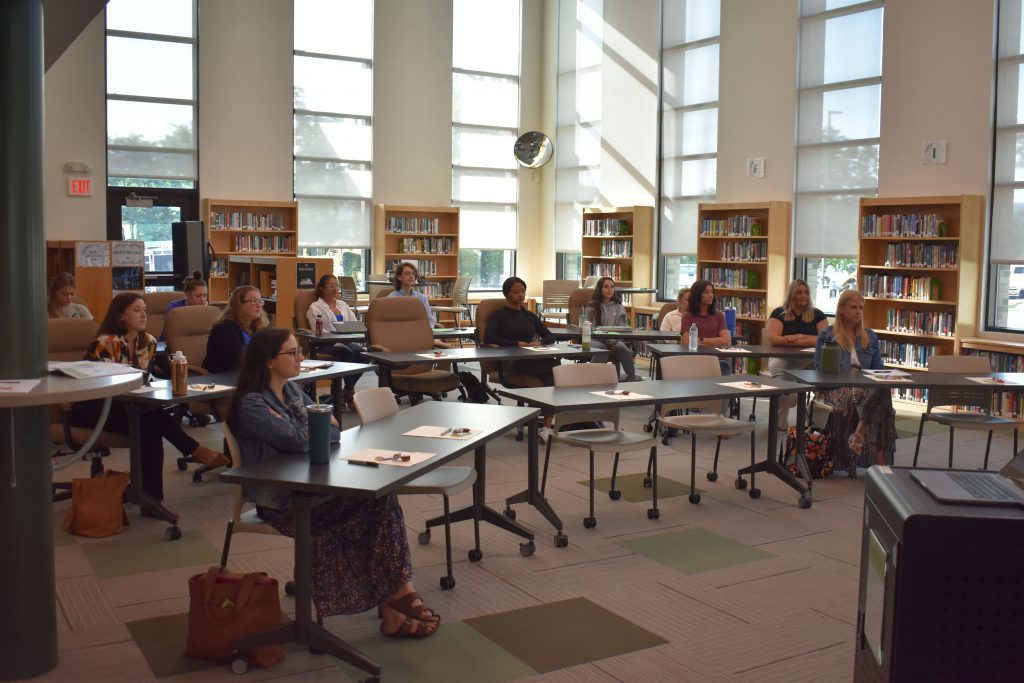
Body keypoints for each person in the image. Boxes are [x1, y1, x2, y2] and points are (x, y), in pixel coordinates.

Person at [230, 328, 439, 637]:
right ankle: (398, 598)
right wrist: (312, 428)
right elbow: (301, 439)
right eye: (292, 353)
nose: (300, 357)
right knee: (373, 507)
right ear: (268, 362)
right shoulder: (252, 404)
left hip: (313, 486)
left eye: (299, 350)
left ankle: (396, 601)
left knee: (381, 498)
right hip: (283, 501)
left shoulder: (291, 391)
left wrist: (312, 429)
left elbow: (333, 429)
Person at [68, 293, 227, 505]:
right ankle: (191, 454)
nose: (143, 314)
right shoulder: (106, 343)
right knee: (151, 417)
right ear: (120, 316)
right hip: (95, 407)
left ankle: (150, 498)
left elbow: (148, 378)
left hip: (129, 406)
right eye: (136, 310)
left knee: (149, 422)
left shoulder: (149, 343)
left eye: (144, 310)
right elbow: (98, 387)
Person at [813, 290, 896, 471]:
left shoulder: (870, 336)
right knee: (881, 403)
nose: (858, 312)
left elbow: (877, 370)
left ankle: (858, 435)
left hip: (865, 388)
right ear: (841, 309)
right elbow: (819, 370)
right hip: (836, 388)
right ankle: (880, 463)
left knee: (881, 392)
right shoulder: (827, 336)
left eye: (860, 308)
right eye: (853, 307)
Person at [764, 279, 829, 430]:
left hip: (811, 361)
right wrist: (809, 340)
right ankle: (779, 424)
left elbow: (825, 339)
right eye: (799, 292)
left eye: (806, 292)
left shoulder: (817, 314)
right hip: (784, 358)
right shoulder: (779, 313)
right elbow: (773, 338)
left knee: (826, 386)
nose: (803, 296)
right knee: (780, 381)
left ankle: (815, 423)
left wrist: (797, 337)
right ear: (792, 295)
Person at [484, 276, 559, 386]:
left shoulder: (529, 315)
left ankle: (540, 401)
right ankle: (541, 401)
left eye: (523, 291)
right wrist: (516, 344)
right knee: (553, 367)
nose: (520, 294)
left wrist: (540, 343)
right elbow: (489, 338)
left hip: (530, 356)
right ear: (507, 294)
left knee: (555, 364)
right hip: (511, 359)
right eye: (515, 292)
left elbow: (550, 336)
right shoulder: (499, 315)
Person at [306, 274, 365, 407]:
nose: (335, 288)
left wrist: (346, 334)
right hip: (324, 345)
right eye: (330, 285)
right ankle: (349, 392)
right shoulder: (315, 307)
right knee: (348, 353)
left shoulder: (342, 305)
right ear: (322, 289)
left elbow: (355, 324)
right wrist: (337, 336)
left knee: (364, 354)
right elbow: (317, 331)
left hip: (346, 342)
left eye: (336, 285)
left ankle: (348, 389)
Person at [586, 277, 641, 381]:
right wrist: (607, 341)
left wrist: (613, 341)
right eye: (606, 287)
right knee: (602, 349)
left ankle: (632, 378)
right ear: (599, 289)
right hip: (595, 339)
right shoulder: (592, 306)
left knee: (624, 349)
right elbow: (590, 328)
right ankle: (589, 378)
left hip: (614, 339)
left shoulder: (618, 306)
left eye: (612, 287)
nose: (609, 289)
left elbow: (622, 327)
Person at [202, 285, 267, 373]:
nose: (259, 305)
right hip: (223, 379)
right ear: (238, 304)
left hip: (248, 375)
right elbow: (236, 361)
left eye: (260, 301)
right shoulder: (224, 329)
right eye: (253, 301)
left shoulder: (258, 327)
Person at [681, 279, 732, 375]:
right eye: (706, 292)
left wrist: (701, 340)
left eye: (712, 292)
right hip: (697, 359)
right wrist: (714, 342)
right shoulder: (688, 316)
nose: (711, 295)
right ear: (698, 294)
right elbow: (687, 343)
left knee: (723, 367)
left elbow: (725, 340)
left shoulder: (719, 315)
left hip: (718, 359)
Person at [160, 271, 208, 341]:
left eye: (205, 295)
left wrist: (205, 314)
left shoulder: (208, 309)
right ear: (187, 295)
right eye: (198, 296)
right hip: (169, 346)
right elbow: (171, 333)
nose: (203, 300)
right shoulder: (173, 308)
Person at [387, 261, 436, 327]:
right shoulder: (391, 298)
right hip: (399, 333)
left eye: (413, 273)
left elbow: (429, 320)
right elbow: (389, 323)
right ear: (399, 277)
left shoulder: (422, 298)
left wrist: (427, 332)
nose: (411, 276)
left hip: (419, 333)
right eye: (407, 273)